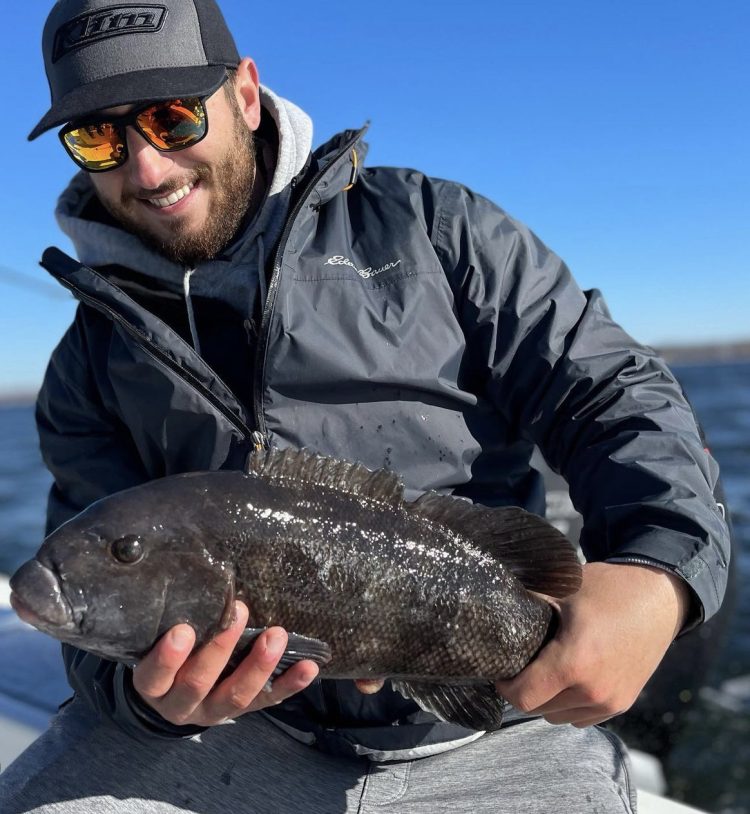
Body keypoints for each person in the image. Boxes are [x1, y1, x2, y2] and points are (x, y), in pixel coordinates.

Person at [0, 0, 730, 811]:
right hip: (234, 736)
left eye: (172, 119)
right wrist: (148, 700)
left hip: (502, 723)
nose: (147, 169)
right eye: (98, 139)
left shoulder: (433, 230)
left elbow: (614, 393)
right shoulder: (85, 365)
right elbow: (95, 628)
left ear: (245, 95)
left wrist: (658, 575)